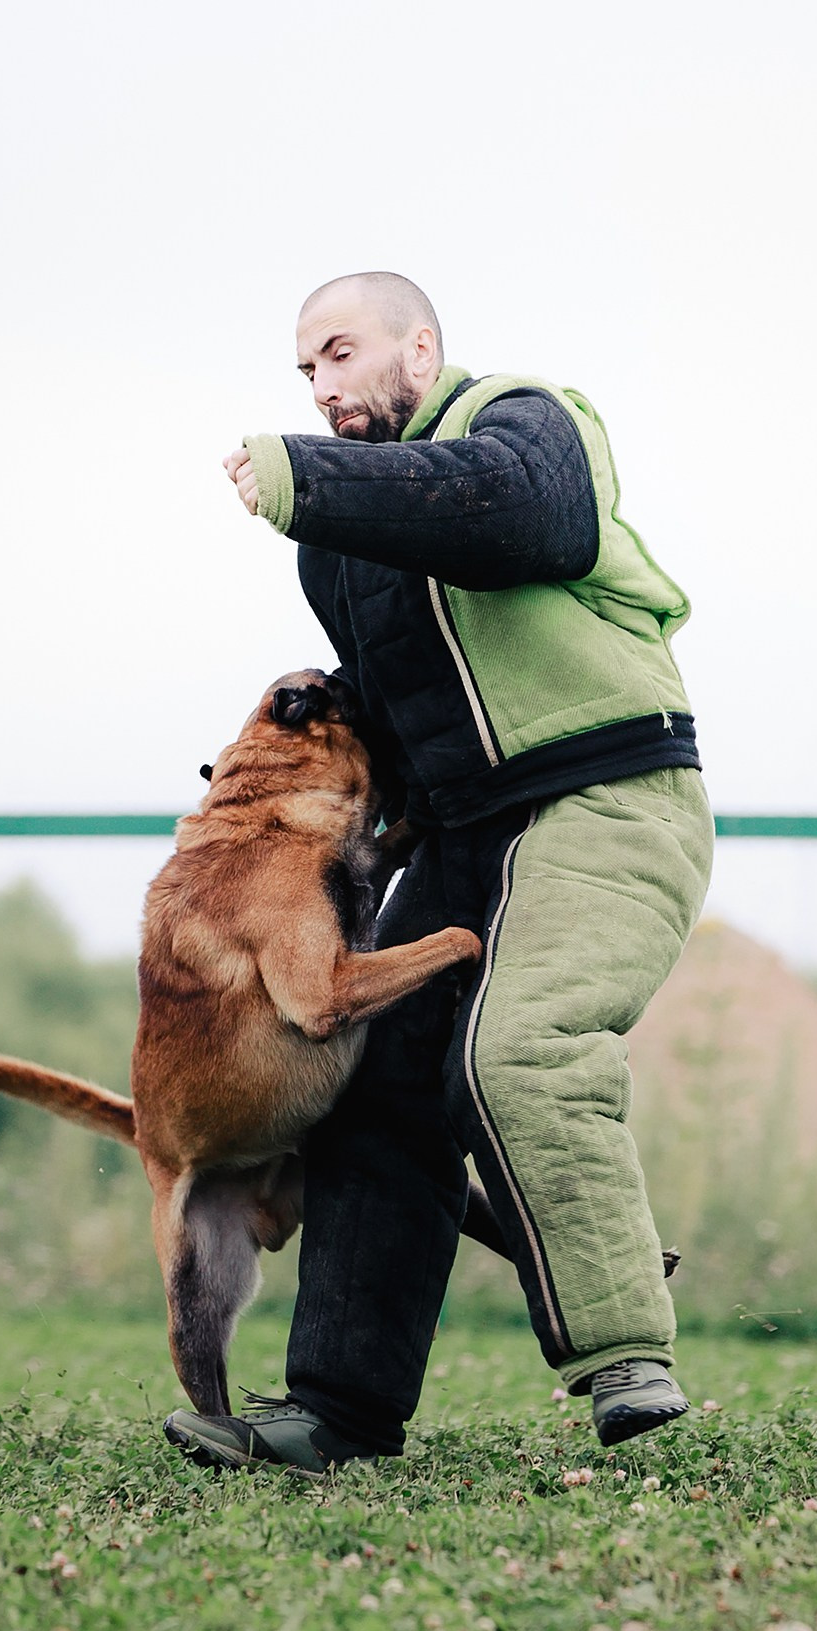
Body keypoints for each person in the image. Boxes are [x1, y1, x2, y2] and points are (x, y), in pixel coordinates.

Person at [162, 272, 713, 1476]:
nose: (320, 385)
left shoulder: (525, 423)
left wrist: (300, 473)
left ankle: (624, 1357)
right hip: (460, 831)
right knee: (372, 1087)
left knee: (515, 1050)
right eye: (305, 372)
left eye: (340, 353)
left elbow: (525, 523)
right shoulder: (342, 549)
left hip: (606, 797)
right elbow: (386, 730)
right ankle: (338, 1415)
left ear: (421, 347)